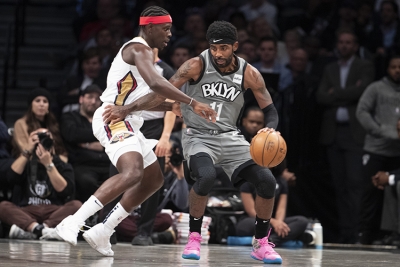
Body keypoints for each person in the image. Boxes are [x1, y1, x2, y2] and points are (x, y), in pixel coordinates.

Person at [103, 20, 282, 264]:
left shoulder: (249, 73)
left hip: (230, 137)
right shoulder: (196, 65)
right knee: (206, 177)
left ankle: (261, 243)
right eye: (214, 48)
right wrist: (127, 108)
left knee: (267, 181)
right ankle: (194, 237)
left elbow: (270, 108)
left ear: (235, 46)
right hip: (198, 136)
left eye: (224, 48)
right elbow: (159, 93)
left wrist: (271, 128)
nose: (218, 54)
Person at [55, 6, 216, 257]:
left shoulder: (143, 57)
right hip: (112, 117)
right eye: (165, 29)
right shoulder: (137, 48)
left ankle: (104, 231)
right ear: (149, 27)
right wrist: (191, 102)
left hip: (129, 120)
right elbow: (156, 84)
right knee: (132, 172)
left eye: (171, 29)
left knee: (154, 180)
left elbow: (147, 99)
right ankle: (74, 221)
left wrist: (172, 106)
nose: (170, 34)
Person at [316, 29, 374, 244]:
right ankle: (345, 233)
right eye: (341, 42)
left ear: (356, 45)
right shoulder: (330, 68)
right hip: (333, 134)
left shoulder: (364, 66)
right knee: (339, 186)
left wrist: (336, 93)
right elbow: (321, 96)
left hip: (354, 133)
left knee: (356, 184)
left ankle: (360, 232)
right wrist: (347, 92)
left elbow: (363, 92)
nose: (344, 46)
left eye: (348, 42)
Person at [0, 129, 81, 240]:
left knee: (77, 206)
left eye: (46, 139)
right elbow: (10, 177)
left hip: (53, 211)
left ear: (52, 142)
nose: (42, 144)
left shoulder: (62, 165)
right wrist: (27, 151)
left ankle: (34, 230)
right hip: (28, 210)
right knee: (3, 206)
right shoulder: (25, 163)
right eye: (38, 140)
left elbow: (65, 191)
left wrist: (48, 164)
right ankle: (42, 230)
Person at [355, 55, 400, 244]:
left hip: (397, 151)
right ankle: (365, 234)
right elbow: (361, 112)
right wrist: (381, 130)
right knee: (370, 193)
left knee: (393, 190)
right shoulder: (376, 88)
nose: (397, 70)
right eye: (393, 67)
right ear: (387, 68)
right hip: (376, 149)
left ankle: (391, 234)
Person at [237, 160, 309, 248]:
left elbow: (281, 209)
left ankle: (272, 240)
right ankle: (294, 236)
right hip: (253, 220)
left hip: (273, 221)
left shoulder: (281, 181)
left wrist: (279, 222)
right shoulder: (247, 181)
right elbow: (251, 210)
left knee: (302, 221)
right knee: (264, 226)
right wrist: (274, 222)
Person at [60, 85, 109, 203]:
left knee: (121, 179)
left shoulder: (106, 120)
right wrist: (102, 135)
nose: (93, 101)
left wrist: (86, 143)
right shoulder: (69, 117)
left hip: (106, 164)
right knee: (86, 182)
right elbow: (72, 134)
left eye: (97, 99)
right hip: (82, 165)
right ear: (81, 99)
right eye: (90, 97)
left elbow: (113, 136)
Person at [13, 88, 68, 163]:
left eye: (45, 101)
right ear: (31, 105)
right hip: (29, 163)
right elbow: (24, 149)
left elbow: (62, 152)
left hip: (53, 163)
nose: (41, 104)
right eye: (37, 101)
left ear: (48, 106)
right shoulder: (20, 124)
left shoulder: (54, 124)